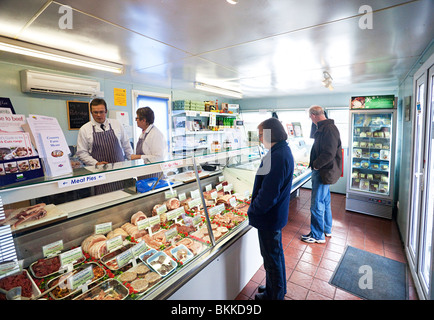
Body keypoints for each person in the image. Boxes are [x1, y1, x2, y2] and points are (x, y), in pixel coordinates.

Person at [247, 117, 294, 300]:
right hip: (275, 215)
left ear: (270, 133)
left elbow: (268, 195)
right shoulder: (279, 151)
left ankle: (274, 296)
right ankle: (276, 289)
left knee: (272, 259)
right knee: (274, 256)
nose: (259, 138)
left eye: (261, 135)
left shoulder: (278, 156)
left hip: (269, 217)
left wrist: (252, 210)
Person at [301, 105, 342, 244]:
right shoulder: (326, 127)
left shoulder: (328, 129)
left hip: (323, 171)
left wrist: (316, 165)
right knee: (324, 201)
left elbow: (329, 153)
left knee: (316, 204)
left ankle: (317, 235)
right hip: (326, 171)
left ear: (313, 115)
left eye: (310, 117)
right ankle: (326, 229)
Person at [76, 98, 133, 193]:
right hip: (100, 173)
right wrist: (96, 163)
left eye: (101, 112)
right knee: (104, 198)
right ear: (91, 112)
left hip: (119, 171)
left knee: (123, 196)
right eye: (95, 112)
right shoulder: (84, 129)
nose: (98, 115)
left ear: (106, 111)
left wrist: (132, 162)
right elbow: (81, 153)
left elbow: (126, 145)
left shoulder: (117, 124)